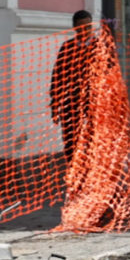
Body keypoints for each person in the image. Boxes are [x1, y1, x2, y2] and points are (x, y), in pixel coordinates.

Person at [49, 10, 106, 174]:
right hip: (71, 100)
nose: (84, 31)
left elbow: (108, 72)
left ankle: (93, 170)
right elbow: (58, 76)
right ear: (74, 28)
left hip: (94, 101)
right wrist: (55, 103)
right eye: (80, 27)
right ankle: (73, 169)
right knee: (71, 137)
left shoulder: (99, 46)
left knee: (93, 136)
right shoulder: (67, 48)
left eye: (87, 27)